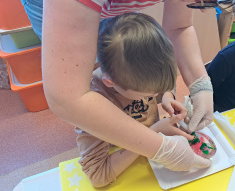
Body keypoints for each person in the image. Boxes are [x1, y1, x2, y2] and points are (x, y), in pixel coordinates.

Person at [15, 0, 235, 171]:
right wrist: (159, 147)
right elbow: (67, 95)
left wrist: (201, 85)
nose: (204, 7)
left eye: (218, 1)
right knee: (103, 79)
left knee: (123, 66)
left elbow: (179, 26)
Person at [76, 12, 203, 187]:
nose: (153, 96)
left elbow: (163, 83)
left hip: (151, 154)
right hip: (126, 167)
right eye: (148, 96)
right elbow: (98, 176)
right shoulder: (89, 106)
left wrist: (167, 95)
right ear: (110, 83)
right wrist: (154, 133)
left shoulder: (133, 76)